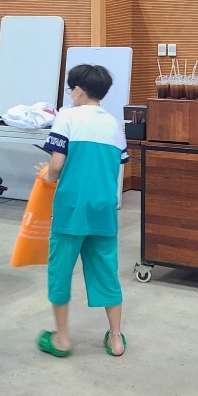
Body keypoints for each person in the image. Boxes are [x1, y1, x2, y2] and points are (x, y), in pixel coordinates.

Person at [37, 64, 130, 359]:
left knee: (60, 270)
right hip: (103, 208)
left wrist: (47, 177)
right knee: (106, 269)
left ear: (78, 90)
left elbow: (56, 166)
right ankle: (116, 338)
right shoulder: (114, 124)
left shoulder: (67, 116)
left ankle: (62, 338)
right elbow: (117, 164)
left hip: (71, 207)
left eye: (71, 89)